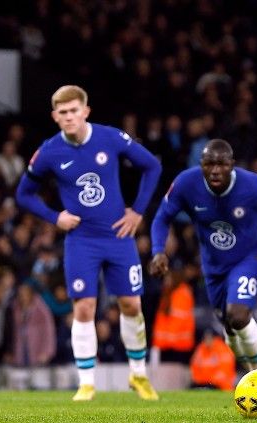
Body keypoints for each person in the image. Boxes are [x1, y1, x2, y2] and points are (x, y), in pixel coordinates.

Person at [16, 85, 161, 401]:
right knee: (83, 307)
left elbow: (152, 166)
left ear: (86, 111)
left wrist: (137, 211)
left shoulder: (109, 137)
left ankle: (138, 376)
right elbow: (23, 194)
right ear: (55, 116)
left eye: (73, 111)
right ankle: (86, 383)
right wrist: (55, 218)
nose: (69, 117)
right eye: (63, 113)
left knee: (131, 304)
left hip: (118, 235)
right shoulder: (49, 151)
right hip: (81, 240)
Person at [149, 138, 257, 373]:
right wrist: (158, 251)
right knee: (230, 330)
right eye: (209, 164)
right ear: (201, 165)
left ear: (232, 165)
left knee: (238, 315)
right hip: (213, 267)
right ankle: (252, 374)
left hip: (249, 259)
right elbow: (162, 217)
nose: (215, 170)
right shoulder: (186, 184)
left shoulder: (253, 186)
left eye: (221, 164)